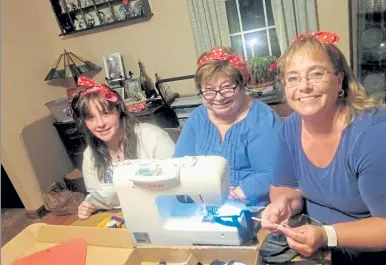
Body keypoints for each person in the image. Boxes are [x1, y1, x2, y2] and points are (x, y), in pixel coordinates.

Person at [261, 31, 386, 265]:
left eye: (316, 74)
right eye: (293, 78)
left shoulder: (380, 134)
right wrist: (283, 204)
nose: (303, 86)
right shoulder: (290, 127)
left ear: (340, 80)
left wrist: (326, 235)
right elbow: (287, 186)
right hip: (326, 259)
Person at [173, 47, 282, 206]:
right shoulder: (197, 118)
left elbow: (272, 173)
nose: (218, 97)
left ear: (242, 84)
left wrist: (233, 194)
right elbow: (178, 164)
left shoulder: (263, 119)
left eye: (226, 87)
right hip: (204, 202)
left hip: (252, 206)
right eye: (209, 90)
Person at [71, 77, 175, 220]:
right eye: (91, 117)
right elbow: (98, 199)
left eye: (106, 113)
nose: (100, 123)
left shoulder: (153, 137)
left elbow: (174, 186)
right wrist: (88, 207)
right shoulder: (89, 155)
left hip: (160, 213)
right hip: (116, 218)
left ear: (119, 109)